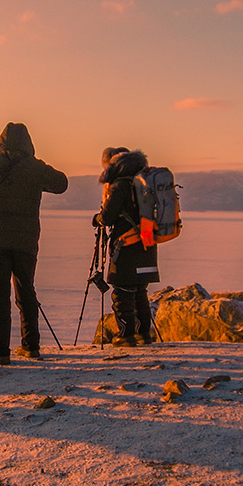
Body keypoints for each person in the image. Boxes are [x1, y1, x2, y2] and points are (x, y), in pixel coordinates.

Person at [0, 123, 69, 364]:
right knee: (26, 289)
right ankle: (31, 346)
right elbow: (61, 183)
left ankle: (0, 352)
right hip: (26, 239)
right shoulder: (35, 167)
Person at [99, 147, 160, 346]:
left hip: (126, 245)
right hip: (147, 243)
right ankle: (144, 333)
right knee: (140, 290)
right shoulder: (145, 183)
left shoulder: (120, 186)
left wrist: (97, 219)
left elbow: (107, 217)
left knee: (122, 291)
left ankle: (126, 335)